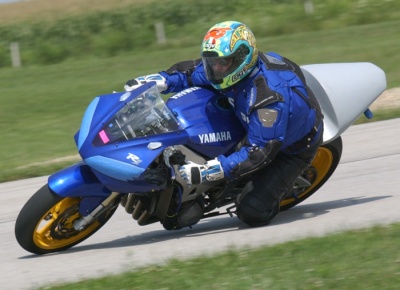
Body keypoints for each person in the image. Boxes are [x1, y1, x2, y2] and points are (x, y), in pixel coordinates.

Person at [124, 21, 324, 227]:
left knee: (251, 211)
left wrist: (207, 172)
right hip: (249, 121)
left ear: (241, 60)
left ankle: (270, 193)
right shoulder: (224, 70)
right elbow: (191, 73)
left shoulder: (268, 101)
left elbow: (259, 151)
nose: (215, 68)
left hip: (291, 148)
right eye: (211, 62)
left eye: (222, 63)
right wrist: (160, 81)